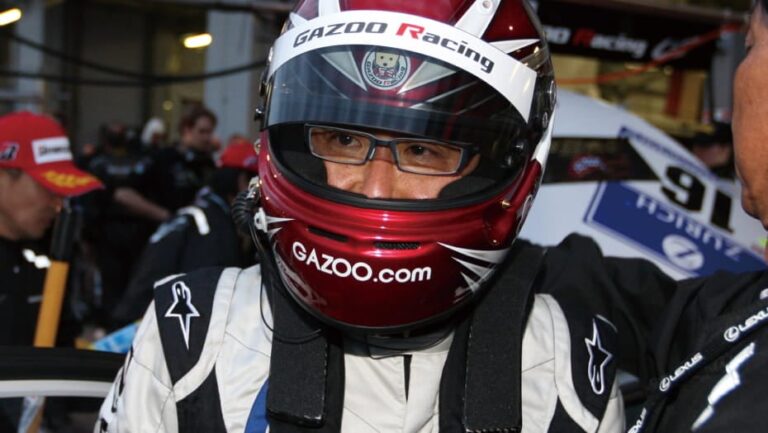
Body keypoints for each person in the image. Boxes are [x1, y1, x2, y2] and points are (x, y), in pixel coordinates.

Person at [96, 2, 628, 432]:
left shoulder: (565, 367)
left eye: (423, 149)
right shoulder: (194, 332)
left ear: (509, 169)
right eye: (344, 139)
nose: (374, 186)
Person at [0, 111, 103, 430]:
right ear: (4, 175)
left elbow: (63, 342)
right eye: (47, 188)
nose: (57, 204)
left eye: (62, 192)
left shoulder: (58, 248)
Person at [110, 136, 260, 328]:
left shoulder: (199, 214)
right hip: (152, 330)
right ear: (242, 182)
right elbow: (209, 300)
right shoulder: (211, 228)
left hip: (135, 320)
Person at [143, 105, 218, 212]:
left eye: (210, 132)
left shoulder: (207, 162)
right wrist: (162, 215)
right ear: (186, 130)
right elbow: (126, 193)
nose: (207, 138)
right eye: (202, 132)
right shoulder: (163, 158)